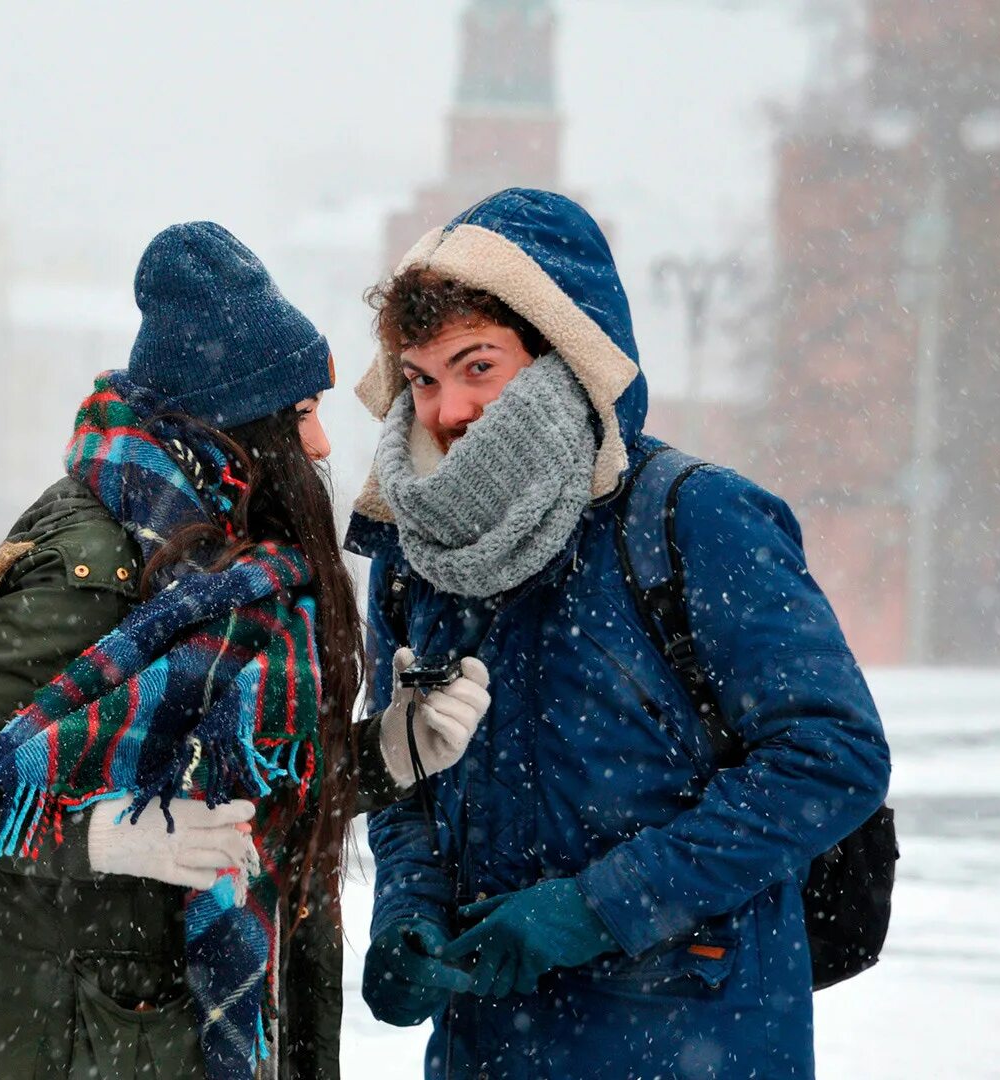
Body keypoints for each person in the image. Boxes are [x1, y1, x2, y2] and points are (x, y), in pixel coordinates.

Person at [0, 222, 490, 1079]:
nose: (322, 446)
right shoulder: (92, 562)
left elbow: (243, 791)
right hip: (69, 1044)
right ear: (238, 426)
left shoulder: (250, 576)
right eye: (300, 415)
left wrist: (392, 753)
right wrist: (98, 835)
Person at [349, 188, 891, 1080]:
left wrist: (596, 909)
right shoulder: (415, 560)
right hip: (487, 1049)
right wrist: (407, 909)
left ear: (567, 356)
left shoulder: (695, 520)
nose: (447, 410)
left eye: (478, 366)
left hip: (693, 1036)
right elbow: (406, 777)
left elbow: (833, 757)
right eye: (423, 379)